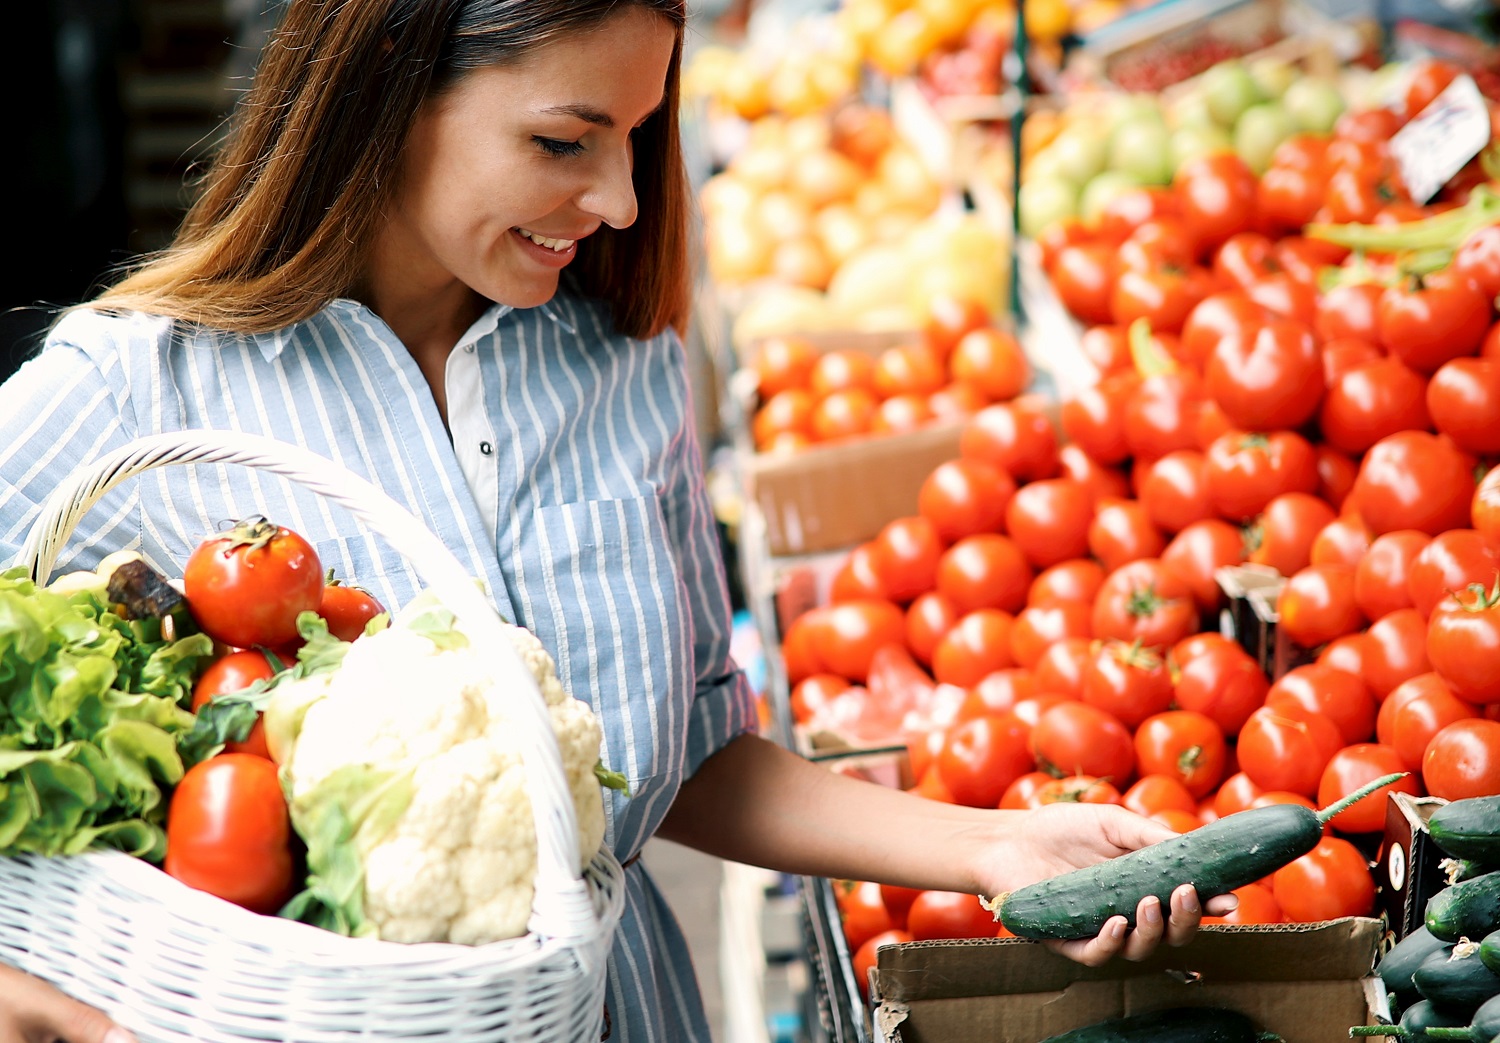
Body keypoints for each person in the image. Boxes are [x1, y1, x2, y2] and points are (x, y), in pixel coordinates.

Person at [0, 1, 1231, 1040]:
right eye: (561, 140)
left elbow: (681, 755)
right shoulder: (135, 391)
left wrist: (986, 846)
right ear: (384, 90)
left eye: (640, 136)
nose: (624, 201)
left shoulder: (621, 363)